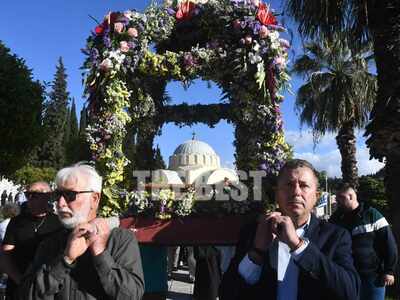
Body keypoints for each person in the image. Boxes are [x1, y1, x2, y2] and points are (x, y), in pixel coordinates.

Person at [220, 159, 360, 300]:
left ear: (316, 197)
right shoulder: (255, 232)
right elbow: (227, 293)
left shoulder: (335, 236)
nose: (296, 192)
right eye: (288, 185)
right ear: (276, 194)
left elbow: (350, 292)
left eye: (304, 185)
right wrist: (257, 252)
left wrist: (298, 246)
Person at [18, 163, 144, 300]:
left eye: (70, 195)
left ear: (94, 199)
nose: (60, 203)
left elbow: (132, 295)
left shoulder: (120, 239)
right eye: (58, 195)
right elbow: (26, 294)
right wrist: (65, 259)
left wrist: (100, 253)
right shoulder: (51, 243)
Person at [330, 183, 398, 300]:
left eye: (340, 197)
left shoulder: (372, 215)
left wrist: (389, 271)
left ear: (351, 196)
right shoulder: (336, 219)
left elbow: (389, 243)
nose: (337, 201)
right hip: (346, 278)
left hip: (373, 278)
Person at [1, 181, 61, 299]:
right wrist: (20, 280)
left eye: (34, 195)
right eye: (28, 194)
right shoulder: (16, 222)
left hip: (47, 288)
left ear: (47, 196)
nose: (29, 198)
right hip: (18, 286)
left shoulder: (58, 223)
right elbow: (5, 254)